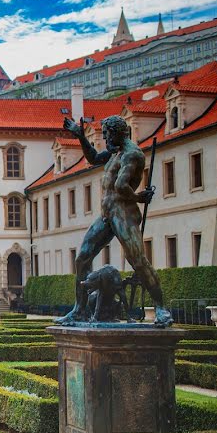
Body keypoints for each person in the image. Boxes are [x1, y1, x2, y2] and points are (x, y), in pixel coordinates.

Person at [56, 115, 172, 327]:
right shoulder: (115, 151)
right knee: (82, 257)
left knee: (137, 261)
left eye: (107, 134)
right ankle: (79, 310)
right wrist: (81, 137)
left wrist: (138, 198)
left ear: (119, 133)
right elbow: (93, 158)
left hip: (123, 213)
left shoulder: (132, 154)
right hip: (107, 213)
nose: (106, 139)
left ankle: (161, 309)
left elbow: (120, 185)